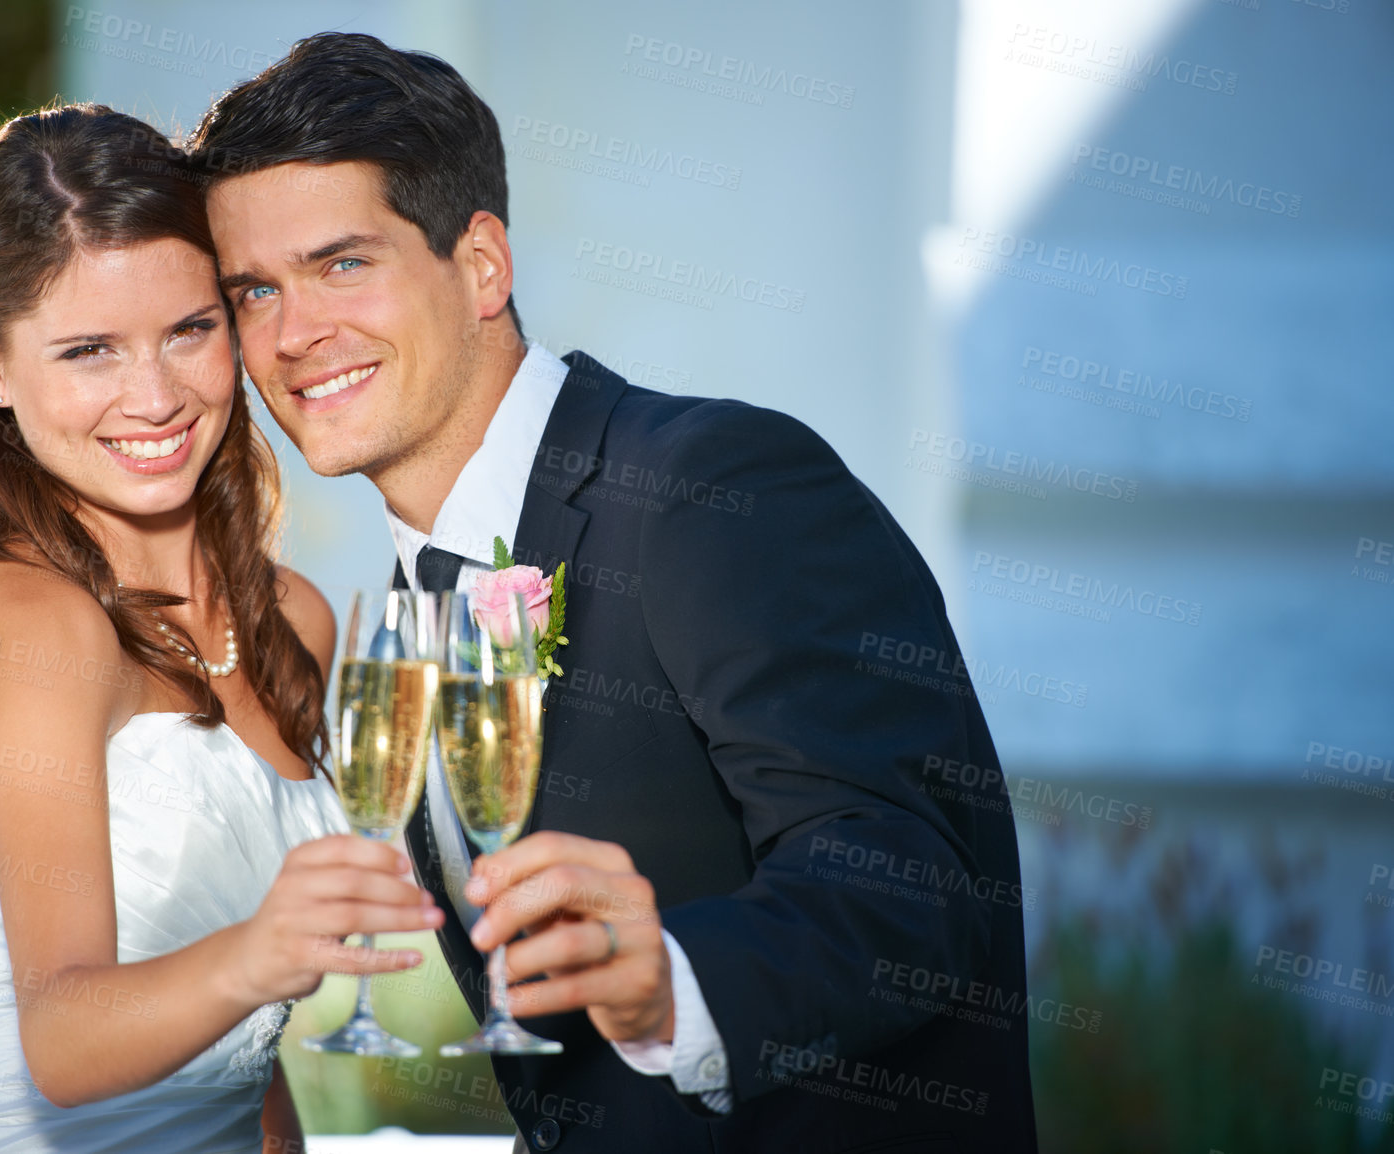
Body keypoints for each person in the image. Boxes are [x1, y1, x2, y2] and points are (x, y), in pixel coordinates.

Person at [189, 33, 1039, 1154]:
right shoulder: (412, 592)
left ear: (482, 264)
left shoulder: (709, 482)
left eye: (344, 263)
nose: (294, 334)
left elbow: (914, 880)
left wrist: (676, 983)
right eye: (256, 289)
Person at [0, 102, 442, 1153]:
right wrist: (262, 948)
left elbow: (244, 1057)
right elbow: (65, 1035)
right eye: (89, 349)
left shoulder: (293, 623)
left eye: (190, 329)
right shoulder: (31, 617)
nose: (154, 396)